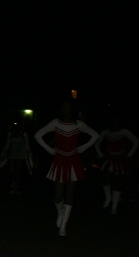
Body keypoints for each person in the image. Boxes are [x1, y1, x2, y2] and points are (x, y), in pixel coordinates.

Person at [34, 101, 98, 236]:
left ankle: (64, 225)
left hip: (74, 160)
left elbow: (95, 135)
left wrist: (82, 148)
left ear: (71, 110)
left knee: (70, 193)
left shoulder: (78, 124)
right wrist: (50, 150)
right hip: (59, 160)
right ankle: (60, 213)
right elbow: (38, 135)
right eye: (62, 107)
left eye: (66, 107)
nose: (63, 109)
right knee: (58, 195)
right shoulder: (55, 123)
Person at [94, 116, 139, 214]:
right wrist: (101, 155)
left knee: (117, 181)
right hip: (110, 158)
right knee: (105, 178)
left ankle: (114, 205)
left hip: (120, 159)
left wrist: (128, 155)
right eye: (112, 121)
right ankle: (108, 198)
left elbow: (136, 142)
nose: (114, 123)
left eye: (116, 121)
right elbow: (96, 143)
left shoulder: (124, 132)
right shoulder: (106, 132)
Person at [0, 122, 32, 195]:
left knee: (18, 170)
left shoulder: (24, 134)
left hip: (21, 154)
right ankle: (14, 182)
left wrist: (30, 154)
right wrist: (2, 154)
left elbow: (27, 145)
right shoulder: (10, 134)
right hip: (12, 153)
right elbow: (7, 144)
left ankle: (16, 186)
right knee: (11, 169)